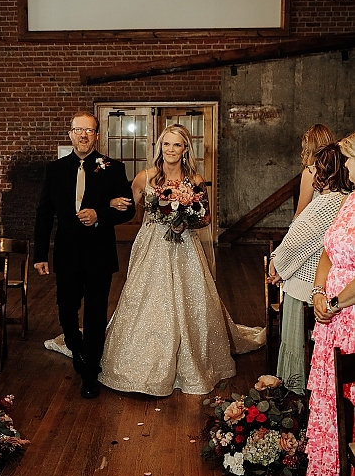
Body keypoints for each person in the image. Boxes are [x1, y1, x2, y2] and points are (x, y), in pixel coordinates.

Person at [98, 124, 264, 397]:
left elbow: (206, 217)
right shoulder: (146, 177)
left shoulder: (195, 180)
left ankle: (191, 360)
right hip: (152, 245)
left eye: (177, 145)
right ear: (160, 148)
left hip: (185, 245)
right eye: (166, 144)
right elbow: (126, 210)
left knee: (191, 299)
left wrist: (185, 222)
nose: (171, 150)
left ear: (185, 149)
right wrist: (106, 207)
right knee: (146, 298)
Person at [33, 111, 135, 399]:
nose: (83, 135)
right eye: (78, 130)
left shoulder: (112, 168)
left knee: (95, 312)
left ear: (97, 135)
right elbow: (43, 215)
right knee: (66, 308)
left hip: (99, 253)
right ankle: (77, 349)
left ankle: (90, 371)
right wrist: (40, 254)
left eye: (89, 131)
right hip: (66, 252)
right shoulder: (55, 169)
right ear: (70, 134)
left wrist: (100, 214)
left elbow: (128, 209)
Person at [268, 143, 351, 395]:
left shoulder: (327, 202)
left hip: (308, 283)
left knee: (295, 343)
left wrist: (277, 265)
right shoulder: (345, 200)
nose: (313, 171)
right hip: (328, 284)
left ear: (327, 171)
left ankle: (295, 393)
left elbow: (296, 240)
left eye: (317, 167)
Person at [307, 131, 355, 476]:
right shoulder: (350, 200)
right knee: (331, 395)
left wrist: (337, 302)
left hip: (350, 315)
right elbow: (327, 251)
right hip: (332, 315)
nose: (345, 167)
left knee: (350, 396)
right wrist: (320, 291)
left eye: (349, 159)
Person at [294, 124, 335, 219]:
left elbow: (300, 214)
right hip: (337, 228)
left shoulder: (311, 172)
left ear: (310, 148)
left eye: (305, 148)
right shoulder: (341, 169)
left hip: (317, 228)